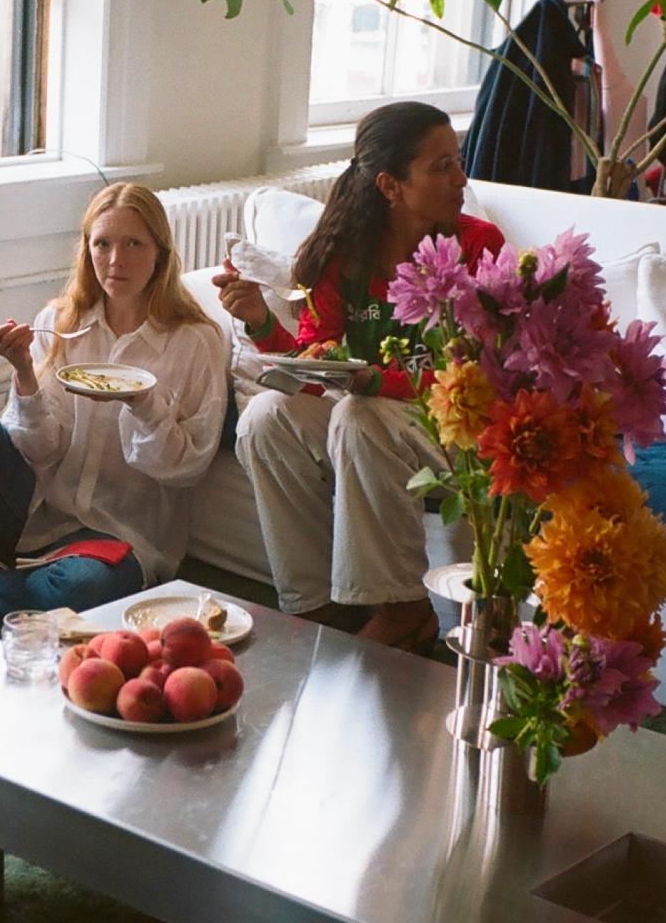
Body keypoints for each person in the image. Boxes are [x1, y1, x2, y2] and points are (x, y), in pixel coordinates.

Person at [213, 101, 505, 652]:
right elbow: (310, 359)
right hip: (372, 414)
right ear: (390, 185)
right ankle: (315, 605)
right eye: (441, 166)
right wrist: (258, 322)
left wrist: (374, 382)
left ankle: (401, 610)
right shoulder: (342, 252)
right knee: (267, 417)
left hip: (456, 430)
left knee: (359, 412)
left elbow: (477, 373)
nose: (461, 178)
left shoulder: (478, 245)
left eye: (456, 161)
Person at [0, 182, 228, 615]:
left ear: (160, 253)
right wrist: (24, 372)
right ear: (87, 250)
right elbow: (39, 450)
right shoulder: (61, 321)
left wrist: (145, 404)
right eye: (102, 244)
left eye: (134, 244)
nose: (116, 261)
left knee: (78, 590)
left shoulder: (195, 342)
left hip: (121, 535)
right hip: (34, 512)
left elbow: (184, 470)